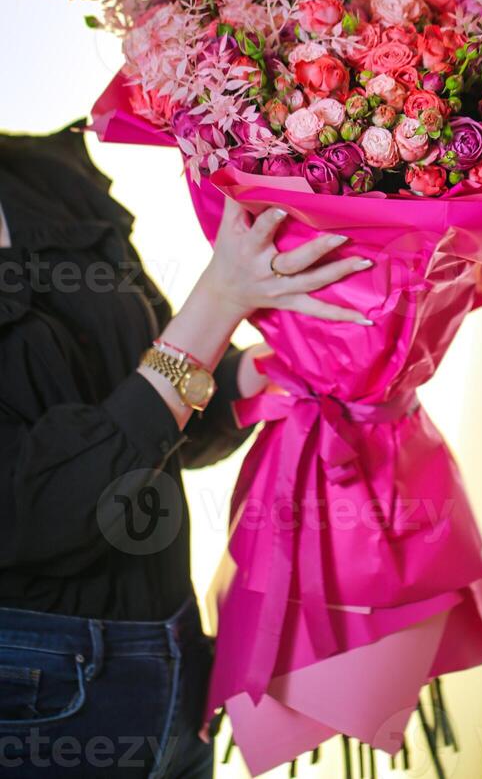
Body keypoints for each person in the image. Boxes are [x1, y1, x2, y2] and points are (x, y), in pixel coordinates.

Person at [0, 122, 373, 778]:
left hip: (177, 667)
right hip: (37, 702)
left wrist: (256, 373)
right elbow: (41, 512)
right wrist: (221, 298)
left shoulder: (45, 176)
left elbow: (157, 411)